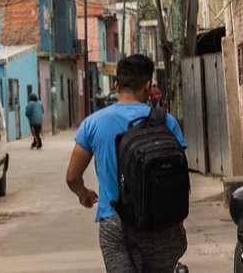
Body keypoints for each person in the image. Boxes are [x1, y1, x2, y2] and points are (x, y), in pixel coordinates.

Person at [65, 54, 187, 272]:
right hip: (162, 222)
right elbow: (179, 178)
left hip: (115, 222)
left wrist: (82, 193)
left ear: (116, 85)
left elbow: (72, 177)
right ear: (148, 86)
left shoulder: (93, 123)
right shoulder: (166, 121)